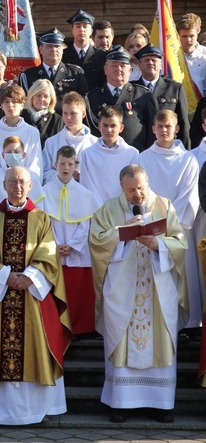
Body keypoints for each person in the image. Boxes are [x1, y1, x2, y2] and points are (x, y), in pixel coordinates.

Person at [0, 166, 72, 425]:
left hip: (32, 295)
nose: (17, 186)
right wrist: (8, 277)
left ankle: (37, 410)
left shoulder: (41, 218)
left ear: (30, 187)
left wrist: (30, 277)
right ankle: (1, 412)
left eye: (22, 182)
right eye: (12, 181)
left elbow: (49, 253)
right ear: (4, 185)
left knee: (38, 345)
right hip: (1, 294)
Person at [89, 165, 187, 423]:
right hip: (123, 289)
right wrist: (121, 234)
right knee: (122, 337)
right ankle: (121, 404)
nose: (137, 194)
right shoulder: (109, 209)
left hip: (157, 289)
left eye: (140, 188)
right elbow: (97, 241)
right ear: (122, 187)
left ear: (148, 182)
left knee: (160, 338)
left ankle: (161, 404)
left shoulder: (164, 206)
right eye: (131, 189)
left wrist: (159, 245)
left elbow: (180, 242)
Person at [136, 110, 201, 331]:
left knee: (182, 278)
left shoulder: (188, 159)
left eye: (168, 126)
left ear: (177, 129)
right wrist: (152, 224)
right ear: (153, 128)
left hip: (179, 231)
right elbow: (140, 193)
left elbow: (188, 196)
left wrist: (166, 228)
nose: (164, 130)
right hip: (151, 231)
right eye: (160, 126)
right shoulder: (142, 158)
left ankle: (185, 324)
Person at [42, 146, 102, 336]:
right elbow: (44, 222)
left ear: (76, 165)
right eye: (62, 164)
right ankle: (57, 327)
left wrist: (73, 245)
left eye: (70, 164)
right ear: (55, 165)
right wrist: (55, 244)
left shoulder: (85, 194)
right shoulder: (44, 192)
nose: (66, 168)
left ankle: (80, 328)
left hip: (77, 251)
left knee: (78, 291)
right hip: (54, 249)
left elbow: (86, 223)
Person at [85, 45, 156, 152]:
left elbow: (153, 131)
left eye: (123, 66)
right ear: (105, 69)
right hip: (101, 156)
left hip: (135, 157)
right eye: (114, 65)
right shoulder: (92, 97)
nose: (118, 69)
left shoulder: (143, 95)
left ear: (130, 70)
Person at [0, 136, 46, 219]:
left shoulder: (32, 177)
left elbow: (39, 210)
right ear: (3, 155)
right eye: (9, 152)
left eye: (16, 152)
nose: (13, 155)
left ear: (24, 155)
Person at [132, 44, 190, 148]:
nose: (150, 63)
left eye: (154, 60)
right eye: (146, 60)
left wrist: (185, 150)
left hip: (168, 147)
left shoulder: (175, 88)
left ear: (161, 65)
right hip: (139, 148)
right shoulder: (131, 89)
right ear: (140, 65)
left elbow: (184, 123)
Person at [78, 106, 139, 202]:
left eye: (113, 125)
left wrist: (118, 206)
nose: (109, 130)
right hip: (96, 210)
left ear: (121, 128)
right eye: (105, 125)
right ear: (99, 126)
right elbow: (86, 184)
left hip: (122, 209)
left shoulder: (132, 154)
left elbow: (133, 184)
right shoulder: (87, 154)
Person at [0, 85, 43, 181]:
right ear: (1, 106)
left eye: (15, 101)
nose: (10, 105)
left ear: (22, 105)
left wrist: (23, 182)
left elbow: (34, 164)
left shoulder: (32, 132)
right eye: (6, 102)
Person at [19, 28, 88, 110]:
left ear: (62, 50)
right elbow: (23, 105)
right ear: (40, 49)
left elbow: (83, 103)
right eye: (49, 46)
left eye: (57, 46)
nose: (54, 50)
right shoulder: (27, 75)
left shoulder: (76, 73)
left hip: (66, 120)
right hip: (38, 121)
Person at [42, 91, 98, 184]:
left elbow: (99, 174)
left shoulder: (95, 143)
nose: (68, 117)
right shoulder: (52, 142)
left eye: (73, 113)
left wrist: (83, 176)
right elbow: (44, 172)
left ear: (83, 114)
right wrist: (65, 175)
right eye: (65, 113)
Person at [62, 9, 105, 89]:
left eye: (85, 26)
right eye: (78, 26)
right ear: (72, 30)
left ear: (91, 31)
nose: (81, 29)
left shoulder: (101, 55)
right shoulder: (63, 55)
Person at [22, 78, 63, 146]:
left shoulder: (57, 120)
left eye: (46, 96)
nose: (42, 99)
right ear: (31, 96)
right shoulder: (21, 117)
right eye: (38, 95)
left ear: (51, 99)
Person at [178, 14, 206, 96]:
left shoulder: (204, 56)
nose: (188, 40)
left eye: (191, 36)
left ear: (198, 30)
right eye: (184, 36)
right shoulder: (172, 56)